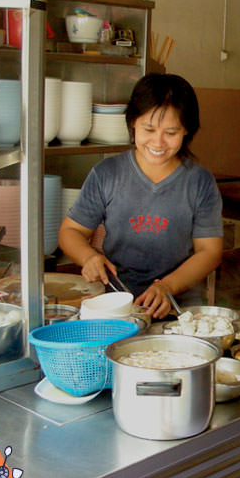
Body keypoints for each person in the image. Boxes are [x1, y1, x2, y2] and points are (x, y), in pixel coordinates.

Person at [58, 74, 223, 319]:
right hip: (116, 305)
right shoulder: (107, 174)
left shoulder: (199, 181)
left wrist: (167, 286)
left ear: (186, 130)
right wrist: (89, 257)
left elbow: (209, 251)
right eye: (149, 129)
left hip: (180, 311)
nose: (158, 141)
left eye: (171, 132)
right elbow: (70, 232)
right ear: (133, 122)